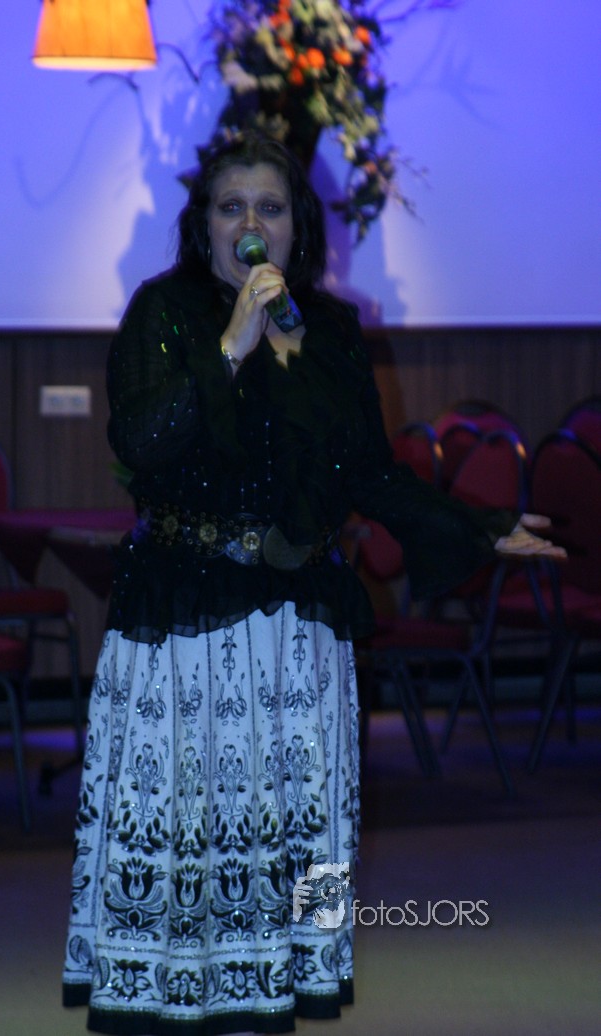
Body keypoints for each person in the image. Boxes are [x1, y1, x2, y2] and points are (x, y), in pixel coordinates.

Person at [62, 132, 565, 1035]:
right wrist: (229, 346)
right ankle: (172, 987)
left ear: (297, 227)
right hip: (186, 615)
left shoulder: (328, 329)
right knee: (191, 827)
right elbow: (140, 441)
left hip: (297, 624)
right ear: (204, 225)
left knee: (294, 823)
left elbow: (368, 472)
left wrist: (482, 527)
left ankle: (277, 983)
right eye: (231, 207)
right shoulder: (163, 311)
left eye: (270, 207)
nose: (249, 224)